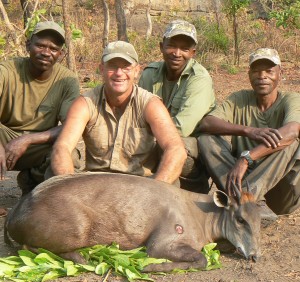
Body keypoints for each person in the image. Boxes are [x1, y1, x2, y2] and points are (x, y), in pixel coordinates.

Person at [51, 41, 186, 184]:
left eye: (126, 67)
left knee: (172, 181)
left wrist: (156, 188)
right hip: (95, 183)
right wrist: (71, 189)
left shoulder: (150, 104)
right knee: (55, 167)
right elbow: (63, 146)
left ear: (136, 71)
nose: (119, 73)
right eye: (112, 66)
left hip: (140, 184)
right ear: (102, 69)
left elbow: (176, 149)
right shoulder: (85, 103)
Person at [198, 48, 300, 220]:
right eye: (256, 71)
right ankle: (247, 203)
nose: (262, 76)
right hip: (238, 180)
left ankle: (242, 200)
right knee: (206, 139)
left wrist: (246, 158)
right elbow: (207, 123)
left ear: (280, 73)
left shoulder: (291, 99)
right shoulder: (239, 99)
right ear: (249, 74)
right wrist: (248, 130)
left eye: (269, 71)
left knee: (291, 142)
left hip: (279, 190)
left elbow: (292, 130)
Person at [0, 21, 80, 197]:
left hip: (38, 144)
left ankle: (34, 184)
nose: (46, 52)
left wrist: (27, 139)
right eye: (40, 45)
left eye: (53, 48)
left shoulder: (67, 80)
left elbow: (71, 127)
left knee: (69, 154)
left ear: (61, 53)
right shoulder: (6, 71)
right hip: (4, 137)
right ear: (28, 44)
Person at [139, 19, 216, 193]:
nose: (177, 53)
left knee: (175, 147)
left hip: (191, 144)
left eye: (185, 49)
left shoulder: (199, 79)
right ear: (161, 46)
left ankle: (184, 192)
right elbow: (137, 113)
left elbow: (183, 127)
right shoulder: (150, 74)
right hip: (156, 138)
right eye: (172, 46)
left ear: (193, 53)